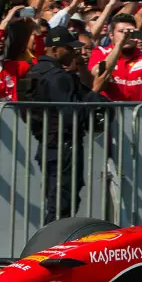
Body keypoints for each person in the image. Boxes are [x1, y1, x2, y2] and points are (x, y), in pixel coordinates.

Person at [19, 26, 113, 224]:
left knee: (61, 202)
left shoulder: (35, 72)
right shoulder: (57, 76)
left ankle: (51, 248)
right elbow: (73, 114)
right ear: (55, 50)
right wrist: (96, 91)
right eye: (69, 48)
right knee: (62, 205)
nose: (74, 52)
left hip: (49, 144)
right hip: (64, 147)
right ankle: (48, 250)